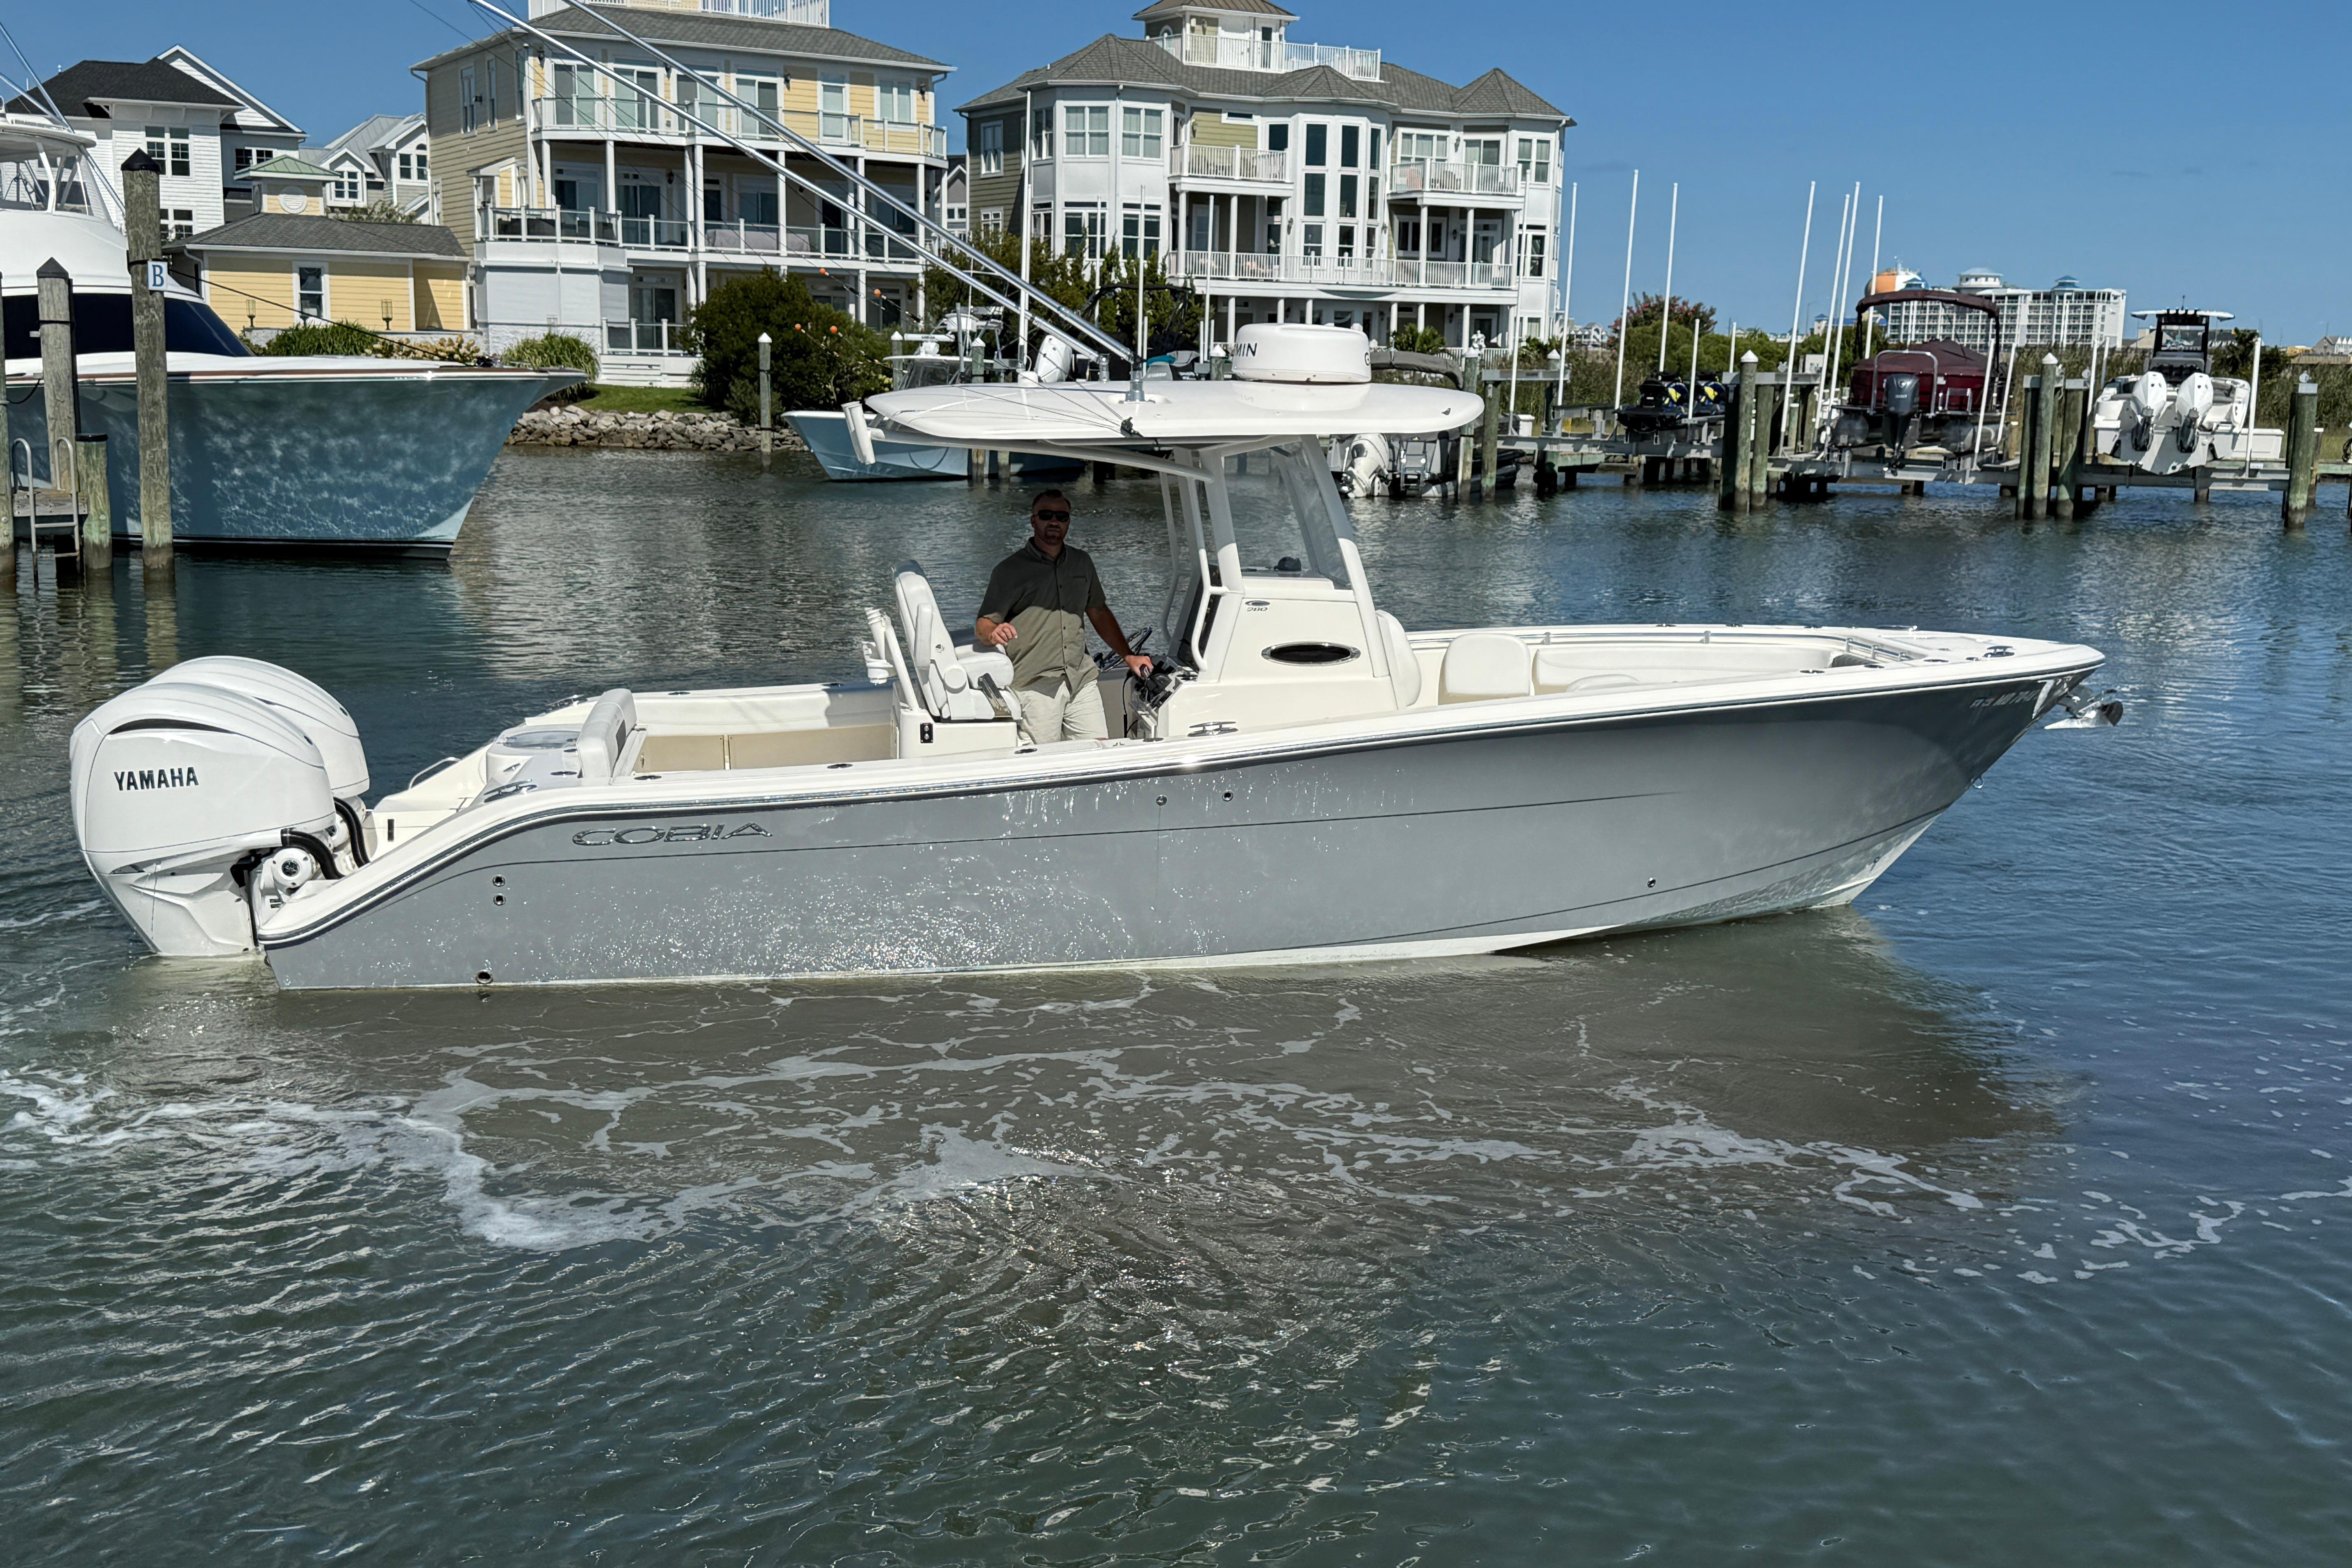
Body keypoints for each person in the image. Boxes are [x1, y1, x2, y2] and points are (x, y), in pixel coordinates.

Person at [975, 490, 1152, 743]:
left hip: (1082, 679)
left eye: (1062, 516)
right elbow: (983, 625)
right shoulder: (1009, 571)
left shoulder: (1082, 563)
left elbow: (1099, 612)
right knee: (1042, 764)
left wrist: (1128, 655)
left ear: (1069, 522)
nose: (1054, 521)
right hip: (1035, 685)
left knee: (1098, 753)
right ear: (1034, 520)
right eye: (1046, 515)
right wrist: (994, 633)